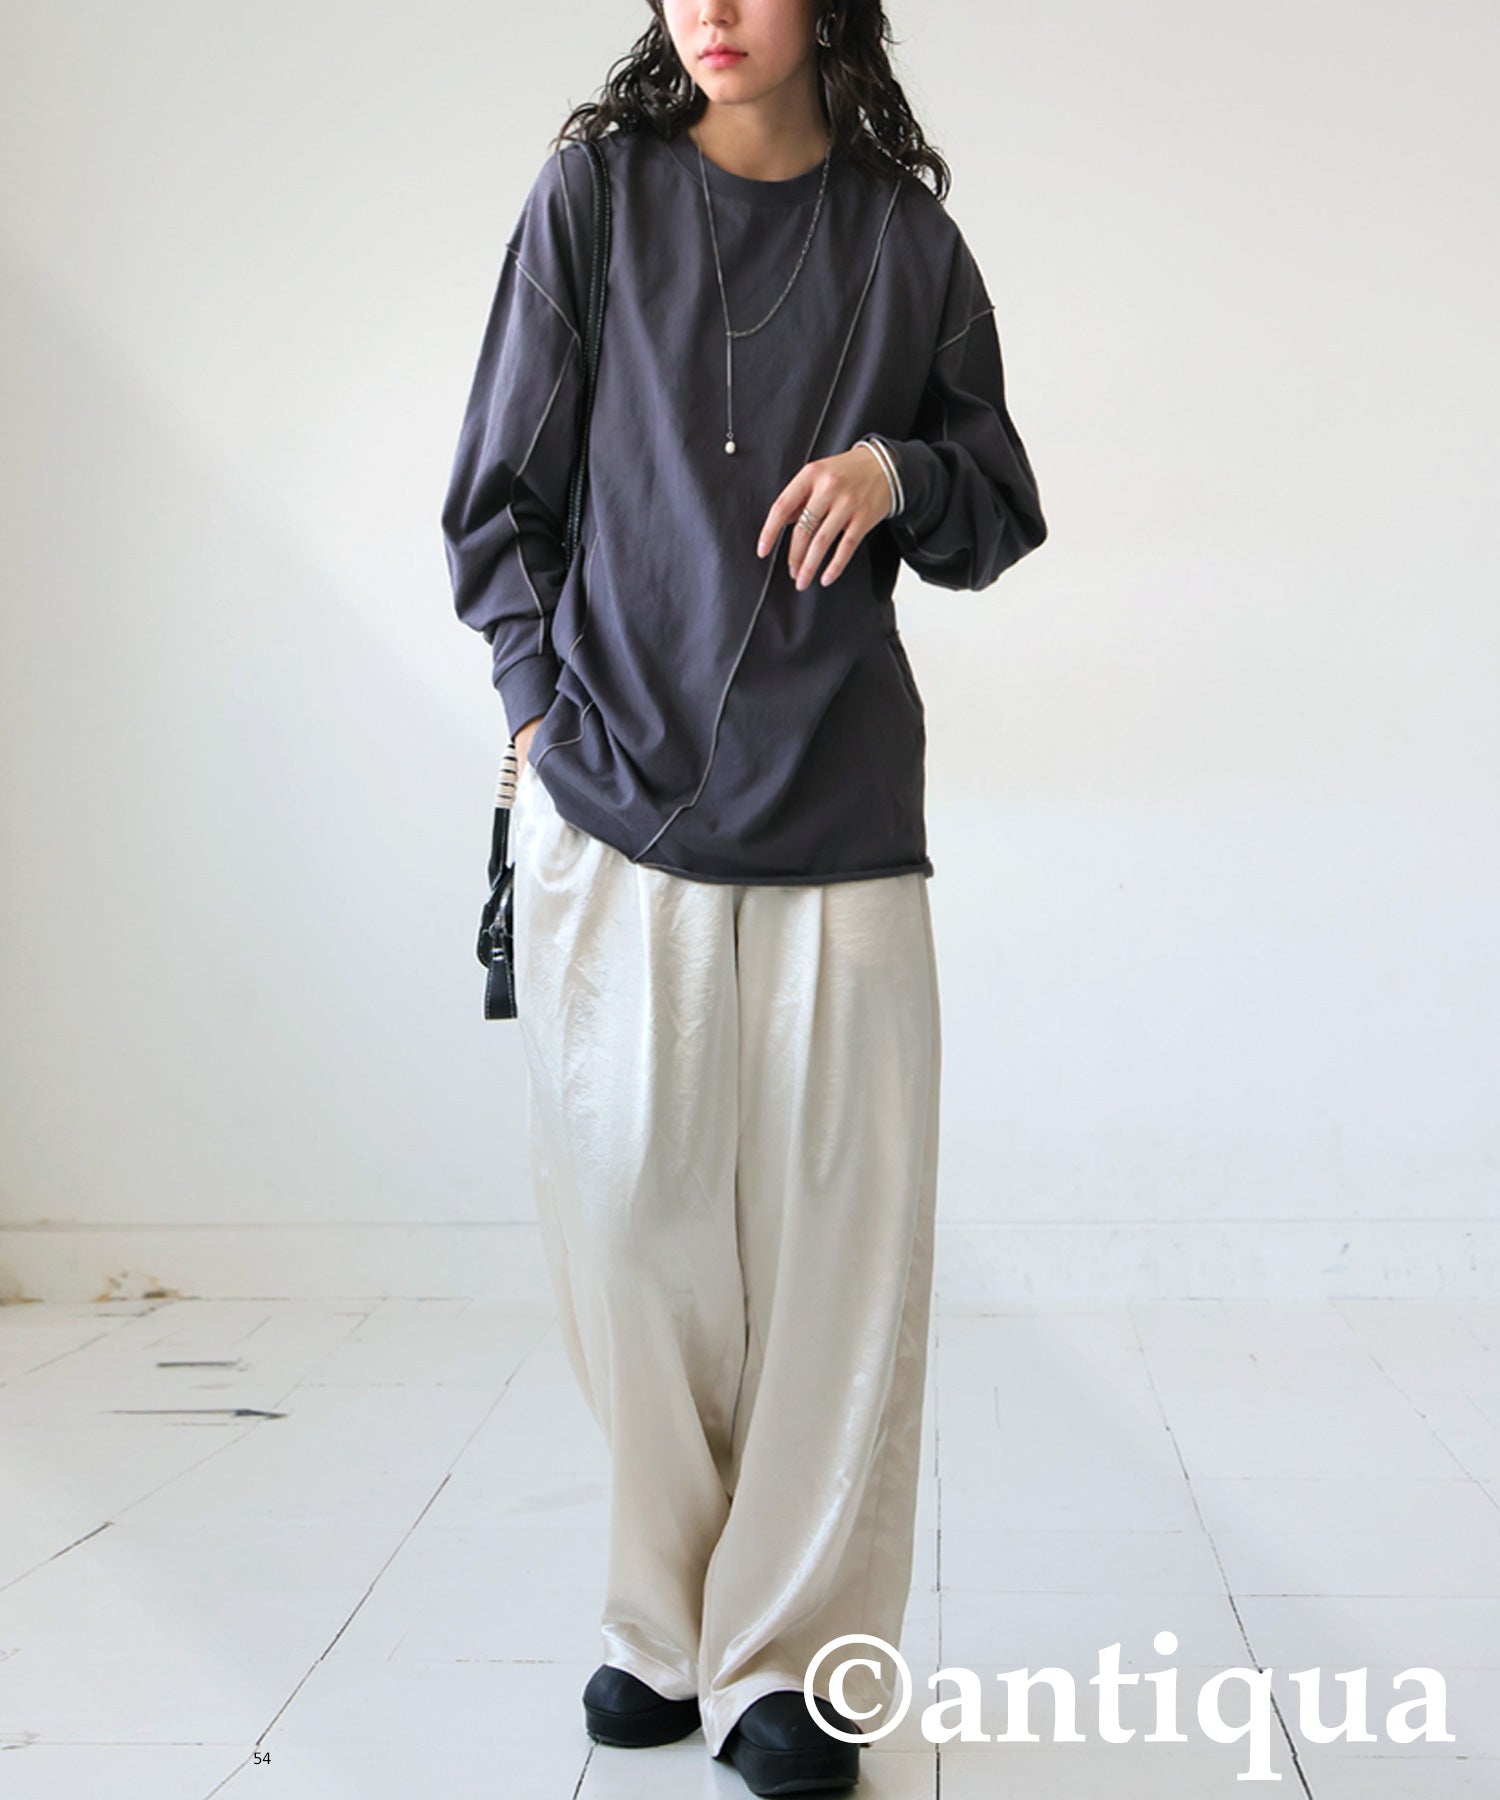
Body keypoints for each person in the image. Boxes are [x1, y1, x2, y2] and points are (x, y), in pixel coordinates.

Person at [441, 2, 1047, 1792]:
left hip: (840, 814)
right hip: (609, 804)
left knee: (836, 1267)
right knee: (630, 1231)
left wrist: (896, 469)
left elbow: (999, 504)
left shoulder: (905, 243)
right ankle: (661, 1614)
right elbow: (500, 496)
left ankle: (782, 1661)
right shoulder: (595, 201)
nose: (708, 7)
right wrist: (536, 714)